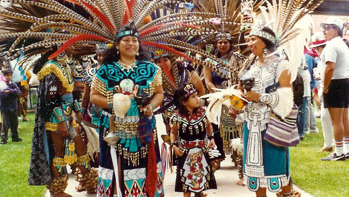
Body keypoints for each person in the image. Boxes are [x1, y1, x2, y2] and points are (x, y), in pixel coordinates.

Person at [90, 22, 165, 197]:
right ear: (117, 45)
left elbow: (159, 94)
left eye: (134, 40)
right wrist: (115, 103)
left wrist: (151, 106)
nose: (131, 43)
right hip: (114, 129)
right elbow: (94, 96)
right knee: (115, 168)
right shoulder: (105, 71)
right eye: (126, 40)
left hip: (143, 129)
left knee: (146, 168)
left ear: (139, 44)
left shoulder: (151, 69)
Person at [28, 48, 98, 197]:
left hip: (68, 119)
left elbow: (71, 93)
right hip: (56, 121)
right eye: (70, 44)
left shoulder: (64, 65)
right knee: (59, 152)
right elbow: (50, 100)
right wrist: (60, 121)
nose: (74, 47)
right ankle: (57, 190)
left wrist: (78, 110)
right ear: (61, 47)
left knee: (80, 148)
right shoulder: (51, 69)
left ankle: (89, 182)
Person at [240, 26, 299, 197]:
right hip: (251, 125)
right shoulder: (250, 65)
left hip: (271, 124)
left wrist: (259, 97)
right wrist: (237, 103)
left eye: (253, 39)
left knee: (277, 167)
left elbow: (287, 99)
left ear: (265, 41)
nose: (249, 43)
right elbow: (243, 92)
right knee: (256, 173)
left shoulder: (281, 64)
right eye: (248, 39)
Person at [203, 33, 244, 171]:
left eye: (225, 42)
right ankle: (217, 158)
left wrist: (234, 92)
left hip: (233, 95)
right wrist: (214, 90)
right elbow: (208, 80)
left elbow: (242, 76)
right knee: (215, 127)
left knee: (235, 125)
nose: (222, 45)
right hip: (217, 97)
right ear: (216, 44)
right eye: (219, 42)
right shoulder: (210, 60)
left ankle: (238, 155)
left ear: (230, 43)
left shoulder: (237, 58)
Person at [170, 83, 217, 197]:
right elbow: (173, 133)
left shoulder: (202, 113)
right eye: (193, 97)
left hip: (201, 152)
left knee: (200, 182)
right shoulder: (177, 118)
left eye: (197, 95)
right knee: (187, 184)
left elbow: (209, 126)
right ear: (184, 102)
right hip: (186, 154)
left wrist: (211, 138)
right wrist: (174, 146)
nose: (197, 99)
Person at [319, 17, 349, 161]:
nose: (324, 31)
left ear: (335, 29)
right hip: (345, 82)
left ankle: (339, 152)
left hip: (336, 83)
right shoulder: (342, 44)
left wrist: (325, 86)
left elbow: (330, 67)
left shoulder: (332, 45)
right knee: (344, 119)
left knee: (336, 121)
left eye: (327, 28)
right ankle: (346, 149)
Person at [311, 38, 333, 152]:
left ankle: (333, 143)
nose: (316, 50)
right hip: (324, 86)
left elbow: (330, 70)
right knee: (325, 116)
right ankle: (328, 143)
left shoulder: (328, 55)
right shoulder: (322, 57)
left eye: (317, 48)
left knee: (332, 116)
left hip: (329, 87)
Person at [0, 69, 22, 144]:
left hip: (13, 106)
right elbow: (3, 96)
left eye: (10, 75)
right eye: (7, 75)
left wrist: (10, 91)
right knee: (5, 124)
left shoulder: (13, 84)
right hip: (5, 107)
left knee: (15, 123)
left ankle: (15, 137)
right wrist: (13, 92)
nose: (9, 77)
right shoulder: (1, 84)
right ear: (4, 76)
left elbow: (18, 92)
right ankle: (4, 139)